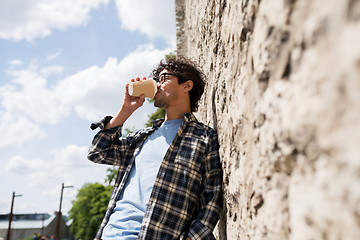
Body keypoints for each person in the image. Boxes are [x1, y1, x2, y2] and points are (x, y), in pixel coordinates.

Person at [88, 57, 223, 240]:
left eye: (164, 78)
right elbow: (98, 153)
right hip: (111, 234)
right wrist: (126, 109)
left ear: (187, 85)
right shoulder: (142, 137)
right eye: (157, 80)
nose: (158, 85)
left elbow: (212, 198)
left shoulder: (204, 138)